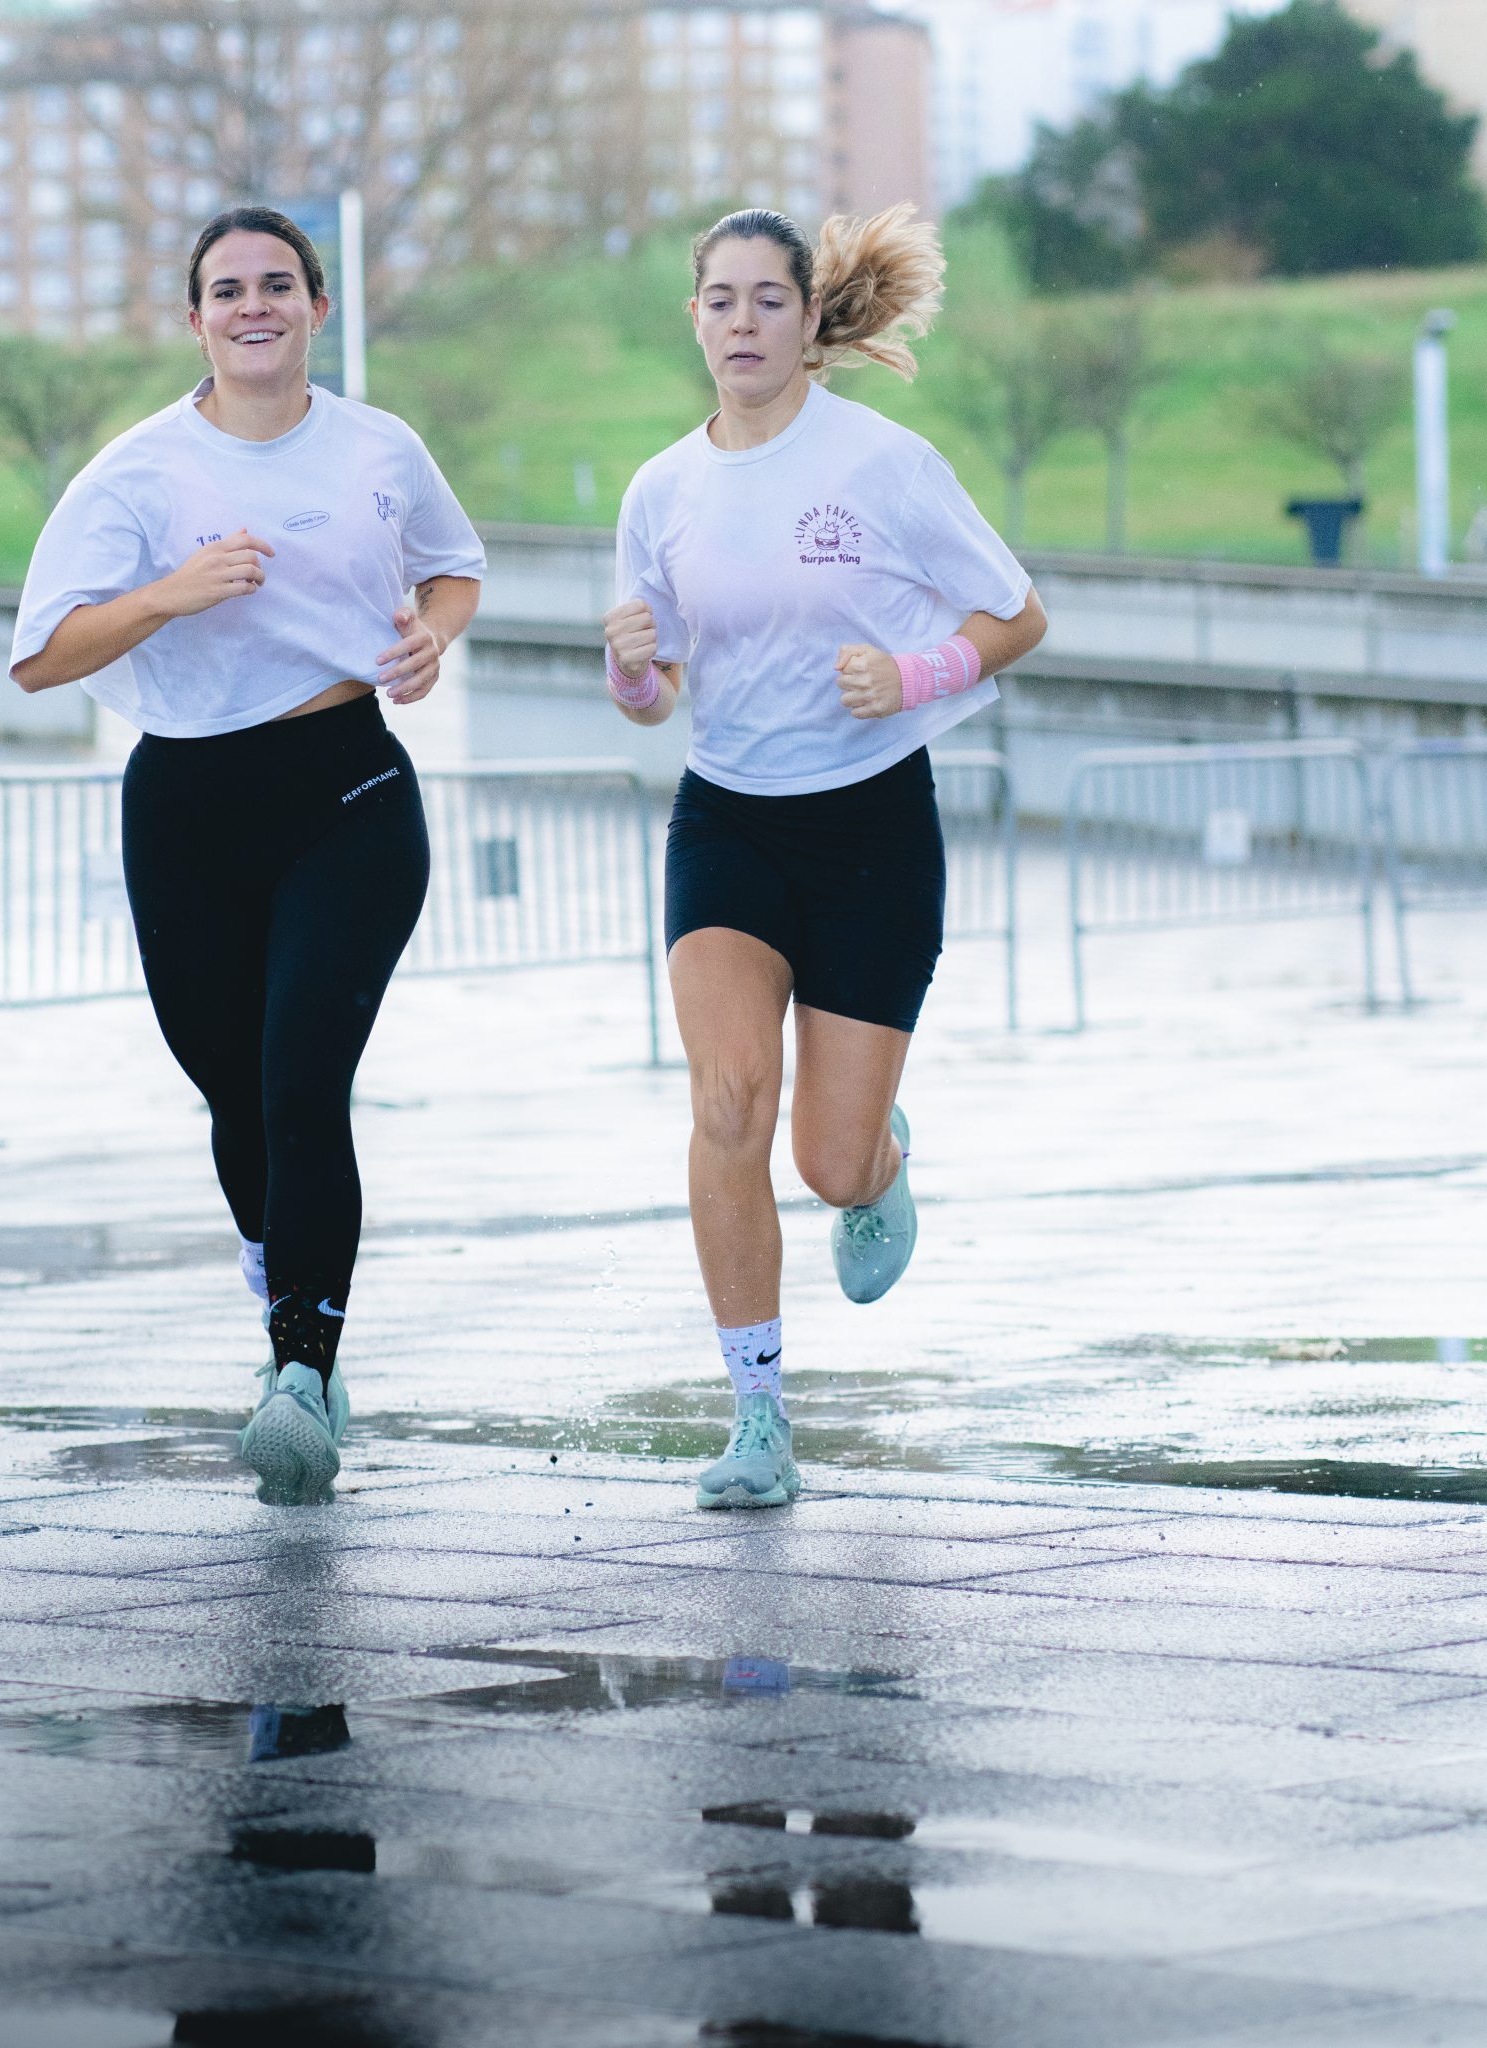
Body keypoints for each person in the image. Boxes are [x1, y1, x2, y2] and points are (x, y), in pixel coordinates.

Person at [10, 206, 484, 1505]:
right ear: (196, 320)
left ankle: (303, 1375)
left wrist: (432, 635)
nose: (254, 305)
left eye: (279, 284)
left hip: (348, 787)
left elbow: (453, 569)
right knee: (234, 1093)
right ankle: (286, 1290)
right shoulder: (138, 474)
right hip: (187, 804)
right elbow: (42, 656)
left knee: (299, 1082)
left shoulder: (380, 446)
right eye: (229, 290)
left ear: (319, 307)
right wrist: (173, 591)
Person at [602, 205, 1048, 1510]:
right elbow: (657, 692)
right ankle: (757, 1418)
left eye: (768, 300)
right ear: (694, 320)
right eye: (720, 300)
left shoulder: (883, 464)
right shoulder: (661, 491)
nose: (742, 322)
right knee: (727, 1101)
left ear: (808, 321)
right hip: (728, 820)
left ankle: (878, 1162)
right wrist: (630, 672)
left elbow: (1016, 614)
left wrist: (919, 672)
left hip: (870, 828)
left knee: (827, 1164)